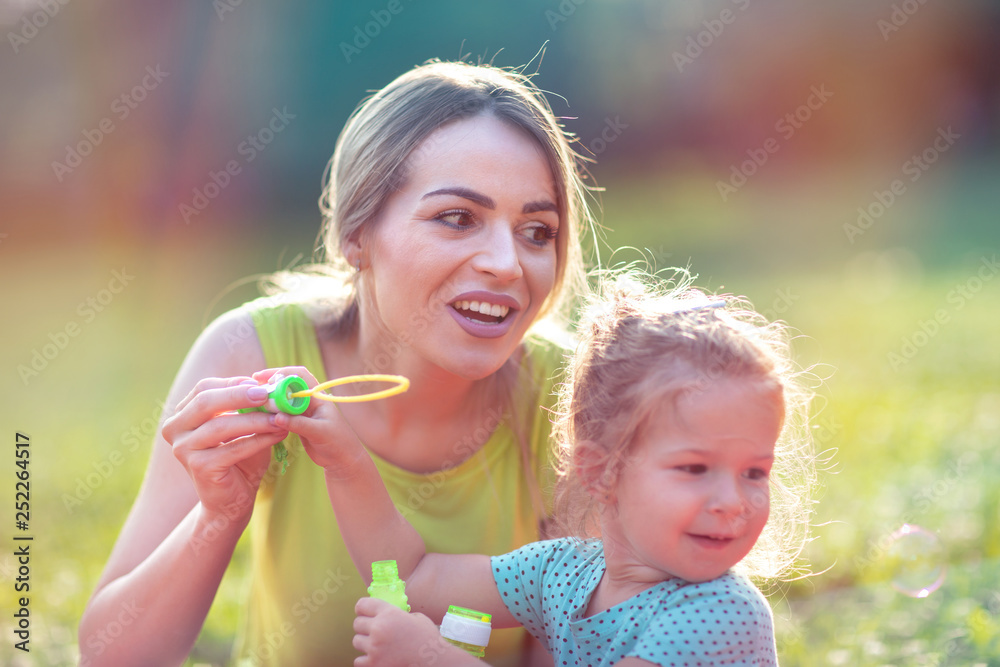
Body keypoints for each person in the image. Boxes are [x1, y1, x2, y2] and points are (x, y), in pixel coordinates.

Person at [78, 59, 594, 666]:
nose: (507, 264)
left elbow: (589, 649)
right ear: (357, 234)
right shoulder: (253, 354)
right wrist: (219, 516)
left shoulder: (577, 398)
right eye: (458, 218)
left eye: (538, 230)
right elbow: (112, 656)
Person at [271, 271, 818, 666]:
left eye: (755, 472)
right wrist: (344, 461)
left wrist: (433, 657)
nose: (733, 500)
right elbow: (416, 576)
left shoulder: (719, 613)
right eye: (696, 468)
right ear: (601, 472)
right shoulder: (564, 572)